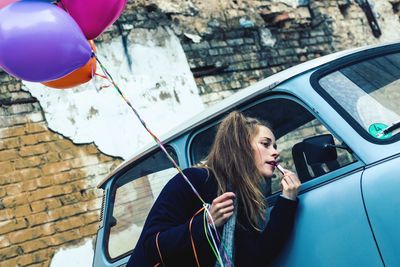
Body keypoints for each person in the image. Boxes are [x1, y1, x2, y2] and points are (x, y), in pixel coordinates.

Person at [127, 111, 301, 267]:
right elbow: (151, 246)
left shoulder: (244, 199)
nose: (275, 152)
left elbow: (255, 258)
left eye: (275, 146)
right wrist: (206, 224)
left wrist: (287, 200)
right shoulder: (193, 180)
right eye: (266, 144)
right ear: (240, 146)